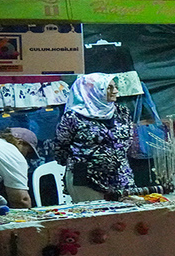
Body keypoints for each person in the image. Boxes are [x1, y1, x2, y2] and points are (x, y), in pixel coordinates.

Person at [52, 73, 134, 201]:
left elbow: (127, 141)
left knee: (126, 210)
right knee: (92, 212)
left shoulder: (122, 112)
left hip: (120, 173)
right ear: (93, 90)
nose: (115, 91)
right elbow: (60, 147)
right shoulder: (73, 117)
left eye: (115, 87)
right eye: (109, 88)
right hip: (84, 176)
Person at [0, 131, 35, 208]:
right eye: (28, 152)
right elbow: (21, 200)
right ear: (20, 142)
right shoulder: (11, 153)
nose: (26, 156)